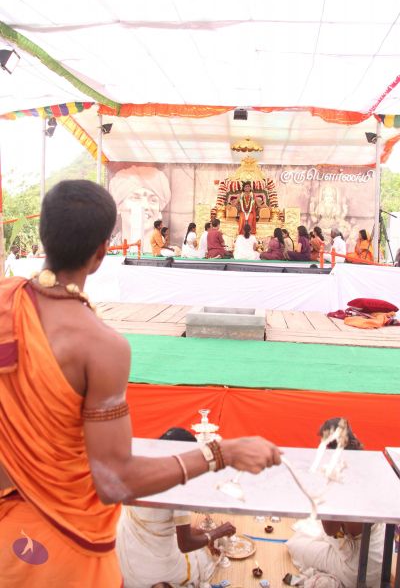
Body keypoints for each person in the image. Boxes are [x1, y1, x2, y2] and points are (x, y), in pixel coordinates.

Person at [0, 179, 281, 587]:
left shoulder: (7, 302)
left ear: (43, 234)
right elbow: (115, 481)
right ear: (102, 252)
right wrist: (223, 452)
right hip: (66, 546)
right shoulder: (101, 346)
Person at [117, 428, 236, 588]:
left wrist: (203, 533)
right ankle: (159, 582)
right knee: (202, 559)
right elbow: (185, 544)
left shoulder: (139, 467)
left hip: (123, 557)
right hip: (152, 565)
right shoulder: (176, 487)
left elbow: (160, 524)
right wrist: (217, 533)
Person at [287, 418, 384, 588]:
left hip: (358, 570)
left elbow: (330, 530)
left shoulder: (338, 477)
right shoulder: (366, 463)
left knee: (295, 544)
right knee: (310, 527)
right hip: (381, 557)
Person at [109, 165, 171, 253]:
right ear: (118, 206)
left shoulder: (167, 252)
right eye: (136, 198)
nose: (145, 206)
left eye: (153, 200)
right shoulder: (107, 250)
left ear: (159, 212)